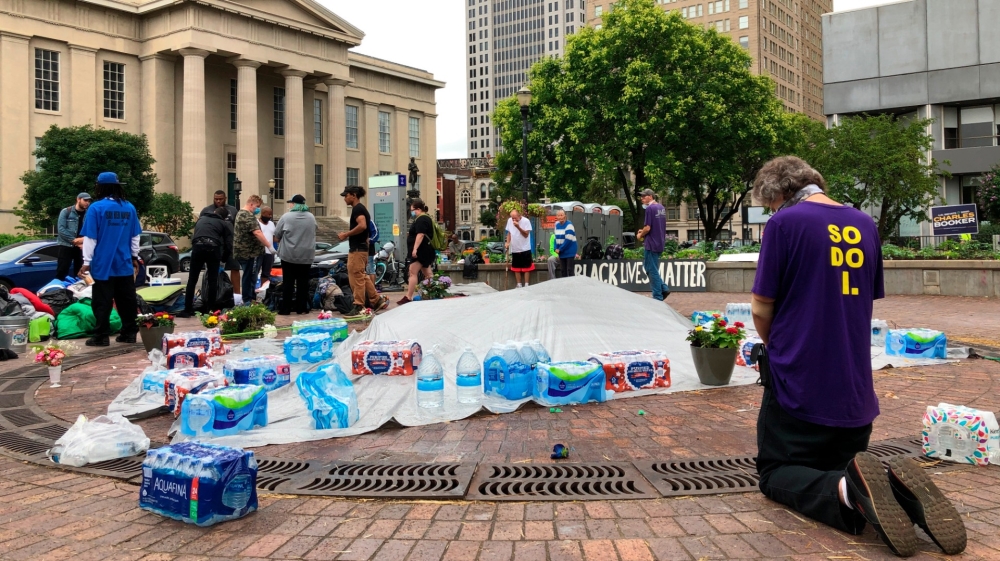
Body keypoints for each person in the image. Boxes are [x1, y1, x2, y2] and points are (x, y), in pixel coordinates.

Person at [750, 156, 965, 557]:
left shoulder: (785, 223)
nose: (771, 212)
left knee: (776, 474)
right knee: (837, 467)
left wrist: (776, 346)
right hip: (854, 399)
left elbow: (762, 307)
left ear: (780, 193)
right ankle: (894, 491)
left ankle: (850, 491)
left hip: (800, 387)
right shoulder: (865, 224)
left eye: (770, 204)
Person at [78, 172, 140, 347]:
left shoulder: (96, 208)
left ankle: (101, 336)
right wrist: (134, 257)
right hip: (124, 263)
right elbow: (135, 237)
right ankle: (129, 333)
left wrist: (86, 262)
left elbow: (91, 239)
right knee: (127, 300)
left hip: (102, 265)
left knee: (102, 302)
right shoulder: (129, 208)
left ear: (101, 187)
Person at [337, 186, 388, 314]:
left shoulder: (358, 209)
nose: (344, 198)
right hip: (361, 248)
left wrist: (346, 234)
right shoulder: (361, 208)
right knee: (362, 276)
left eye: (346, 195)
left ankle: (358, 305)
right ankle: (376, 300)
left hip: (358, 249)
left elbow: (363, 225)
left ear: (353, 195)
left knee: (356, 276)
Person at [179, 206, 233, 317]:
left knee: (192, 280)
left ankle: (187, 309)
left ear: (214, 212)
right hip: (213, 249)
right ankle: (211, 310)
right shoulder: (223, 223)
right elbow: (229, 244)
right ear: (224, 217)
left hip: (197, 248)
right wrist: (224, 257)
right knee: (213, 281)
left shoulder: (201, 219)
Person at [274, 194, 318, 315]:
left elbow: (277, 235)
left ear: (294, 204)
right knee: (303, 282)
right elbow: (314, 230)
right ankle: (302, 308)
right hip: (306, 254)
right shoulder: (311, 217)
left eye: (291, 203)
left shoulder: (286, 217)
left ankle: (286, 308)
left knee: (288, 281)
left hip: (289, 254)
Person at [201, 190, 240, 295]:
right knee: (213, 270)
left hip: (230, 244)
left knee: (235, 268)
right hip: (214, 245)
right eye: (216, 199)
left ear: (225, 198)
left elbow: (237, 227)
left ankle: (237, 296)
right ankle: (212, 294)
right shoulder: (206, 210)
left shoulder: (232, 210)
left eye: (220, 199)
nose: (218, 201)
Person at [398, 198, 435, 305]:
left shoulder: (421, 219)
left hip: (421, 251)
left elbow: (420, 234)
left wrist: (415, 249)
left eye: (412, 210)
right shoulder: (426, 218)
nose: (412, 213)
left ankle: (408, 296)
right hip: (426, 250)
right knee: (427, 274)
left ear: (418, 209)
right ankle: (432, 292)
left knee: (412, 272)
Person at [232, 195, 268, 302]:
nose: (258, 209)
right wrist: (268, 245)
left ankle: (249, 299)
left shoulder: (241, 214)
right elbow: (257, 232)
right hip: (250, 253)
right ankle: (248, 300)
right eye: (257, 206)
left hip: (246, 252)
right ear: (251, 204)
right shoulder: (247, 215)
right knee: (250, 277)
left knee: (250, 276)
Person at [636, 188, 668, 300]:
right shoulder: (661, 207)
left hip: (651, 243)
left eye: (644, 196)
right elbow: (656, 225)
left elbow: (648, 227)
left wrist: (640, 235)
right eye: (641, 197)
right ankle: (664, 288)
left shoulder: (650, 208)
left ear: (650, 196)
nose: (642, 199)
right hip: (660, 242)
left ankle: (658, 296)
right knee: (651, 267)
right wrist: (643, 231)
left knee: (650, 269)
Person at [55, 192, 92, 280]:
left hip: (82, 246)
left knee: (82, 273)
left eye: (89, 201)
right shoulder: (66, 211)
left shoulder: (89, 213)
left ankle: (80, 292)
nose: (87, 203)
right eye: (85, 200)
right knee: (62, 271)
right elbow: (61, 229)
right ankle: (60, 291)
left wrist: (83, 240)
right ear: (78, 199)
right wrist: (75, 241)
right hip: (66, 245)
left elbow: (91, 229)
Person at [505, 209, 534, 287]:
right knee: (516, 267)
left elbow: (526, 235)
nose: (513, 219)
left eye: (515, 218)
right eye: (512, 218)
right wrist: (507, 242)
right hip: (515, 248)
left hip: (525, 248)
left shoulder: (526, 221)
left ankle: (527, 284)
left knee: (527, 267)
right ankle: (519, 284)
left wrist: (518, 226)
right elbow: (509, 233)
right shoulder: (509, 221)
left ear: (520, 215)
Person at [553, 210, 577, 278]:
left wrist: (560, 249)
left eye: (561, 215)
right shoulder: (557, 225)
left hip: (569, 250)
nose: (560, 217)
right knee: (563, 270)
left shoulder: (569, 225)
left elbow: (568, 240)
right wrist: (555, 248)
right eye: (558, 215)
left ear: (565, 216)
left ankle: (572, 285)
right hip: (561, 252)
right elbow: (555, 238)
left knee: (570, 269)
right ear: (556, 217)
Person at [258, 206, 276, 291]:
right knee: (255, 272)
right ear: (263, 213)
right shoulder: (257, 223)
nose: (270, 216)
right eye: (268, 214)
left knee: (266, 273)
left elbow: (274, 237)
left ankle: (263, 290)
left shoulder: (272, 224)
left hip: (269, 252)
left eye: (271, 214)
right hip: (259, 252)